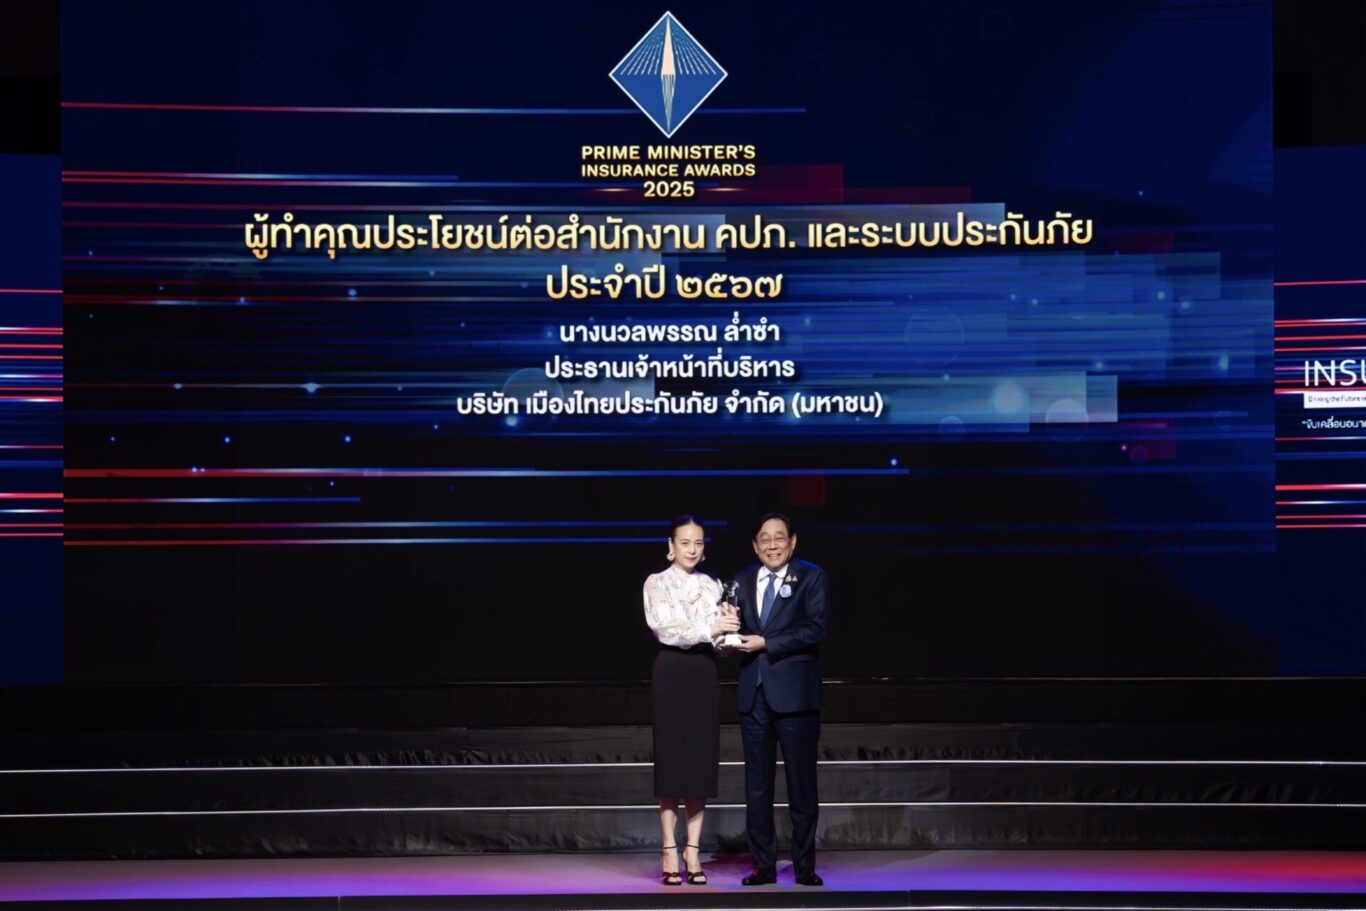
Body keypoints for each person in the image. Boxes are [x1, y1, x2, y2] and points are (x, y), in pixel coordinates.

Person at [642, 514, 741, 886]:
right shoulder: (656, 582)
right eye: (685, 542)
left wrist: (730, 632)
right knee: (671, 761)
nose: (692, 549)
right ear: (671, 546)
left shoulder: (712, 584)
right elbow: (666, 630)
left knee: (699, 761)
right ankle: (669, 848)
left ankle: (693, 850)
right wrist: (711, 627)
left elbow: (718, 645)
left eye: (698, 542)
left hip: (703, 671)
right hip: (671, 670)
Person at [730, 512, 828, 887]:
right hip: (753, 693)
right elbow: (733, 628)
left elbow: (816, 629)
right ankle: (763, 865)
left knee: (801, 783)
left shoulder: (811, 576)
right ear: (755, 545)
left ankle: (804, 865)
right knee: (757, 786)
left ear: (792, 541)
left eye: (779, 537)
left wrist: (766, 643)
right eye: (764, 539)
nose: (772, 545)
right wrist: (725, 635)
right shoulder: (741, 579)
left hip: (796, 695)